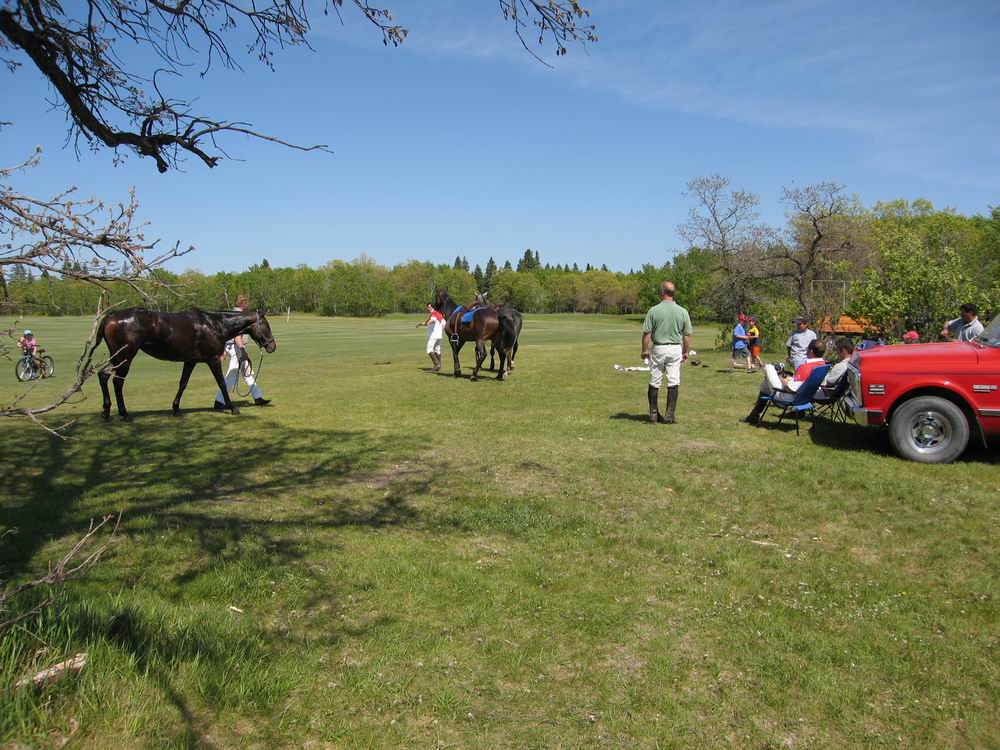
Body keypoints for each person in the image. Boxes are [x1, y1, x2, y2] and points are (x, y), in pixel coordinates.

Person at [640, 281, 692, 424]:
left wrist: (644, 350)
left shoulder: (654, 310)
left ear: (662, 292)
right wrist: (685, 351)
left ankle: (653, 414)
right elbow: (687, 335)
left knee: (655, 380)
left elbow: (647, 334)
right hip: (675, 348)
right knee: (673, 380)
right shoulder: (682, 311)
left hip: (659, 348)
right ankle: (669, 415)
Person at [741, 339, 826, 424]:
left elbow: (789, 389)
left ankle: (753, 416)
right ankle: (753, 416)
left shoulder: (805, 367)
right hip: (806, 397)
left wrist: (783, 380)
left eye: (807, 349)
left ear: (811, 351)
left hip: (789, 398)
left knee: (768, 367)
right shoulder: (823, 365)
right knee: (765, 385)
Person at [213, 294, 271, 409]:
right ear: (243, 303)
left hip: (231, 347)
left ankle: (258, 397)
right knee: (232, 374)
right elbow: (237, 336)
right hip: (236, 348)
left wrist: (224, 349)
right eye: (247, 303)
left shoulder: (231, 313)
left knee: (246, 372)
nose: (248, 306)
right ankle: (219, 401)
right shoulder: (238, 315)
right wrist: (242, 350)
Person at [417, 303, 445, 370]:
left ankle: (437, 365)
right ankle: (439, 366)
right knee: (437, 350)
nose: (428, 308)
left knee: (429, 349)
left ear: (433, 307)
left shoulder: (434, 314)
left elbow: (433, 320)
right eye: (428, 307)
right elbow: (444, 323)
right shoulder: (439, 314)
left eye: (429, 307)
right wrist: (441, 330)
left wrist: (426, 323)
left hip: (434, 335)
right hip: (439, 335)